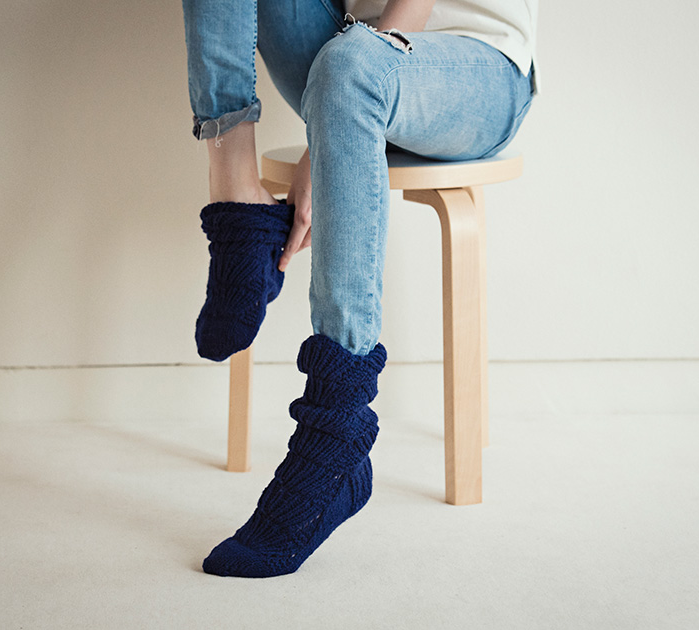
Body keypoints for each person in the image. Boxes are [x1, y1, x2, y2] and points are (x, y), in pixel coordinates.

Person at [183, 0, 539, 578]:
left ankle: (337, 426)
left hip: (478, 71)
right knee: (348, 65)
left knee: (350, 69)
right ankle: (238, 199)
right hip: (347, 46)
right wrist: (328, 124)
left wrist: (326, 131)